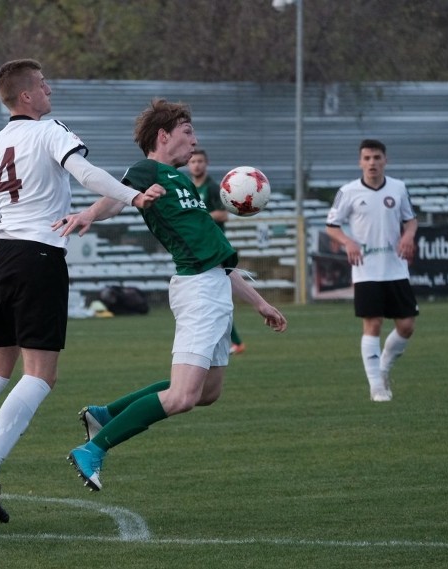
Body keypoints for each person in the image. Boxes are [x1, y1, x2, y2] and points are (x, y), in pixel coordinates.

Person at [0, 58, 164, 523]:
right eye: (42, 85)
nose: (49, 90)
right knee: (40, 376)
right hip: (38, 258)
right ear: (25, 97)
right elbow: (86, 174)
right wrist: (133, 196)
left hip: (0, 257)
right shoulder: (49, 130)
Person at [57, 99, 288, 493]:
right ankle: (94, 449)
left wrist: (260, 302)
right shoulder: (148, 170)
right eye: (187, 133)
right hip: (198, 290)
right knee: (182, 396)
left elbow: (217, 260)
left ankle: (106, 414)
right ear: (163, 136)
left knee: (208, 392)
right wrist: (88, 215)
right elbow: (116, 195)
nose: (194, 142)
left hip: (213, 285)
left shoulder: (182, 183)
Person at [325, 139, 418, 402]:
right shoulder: (348, 191)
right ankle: (376, 386)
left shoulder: (398, 188)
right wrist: (348, 241)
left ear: (385, 160)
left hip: (396, 267)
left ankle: (384, 368)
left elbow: (410, 220)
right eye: (366, 158)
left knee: (407, 325)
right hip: (365, 269)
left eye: (377, 157)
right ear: (360, 162)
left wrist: (408, 236)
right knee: (373, 323)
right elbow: (332, 226)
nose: (372, 163)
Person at [188, 148, 246, 354]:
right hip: (196, 250)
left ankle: (235, 342)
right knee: (210, 300)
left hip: (214, 249)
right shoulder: (187, 188)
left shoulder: (213, 188)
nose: (196, 165)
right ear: (188, 164)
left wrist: (199, 217)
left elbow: (224, 214)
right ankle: (233, 341)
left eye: (200, 161)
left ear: (207, 163)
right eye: (193, 161)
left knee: (217, 299)